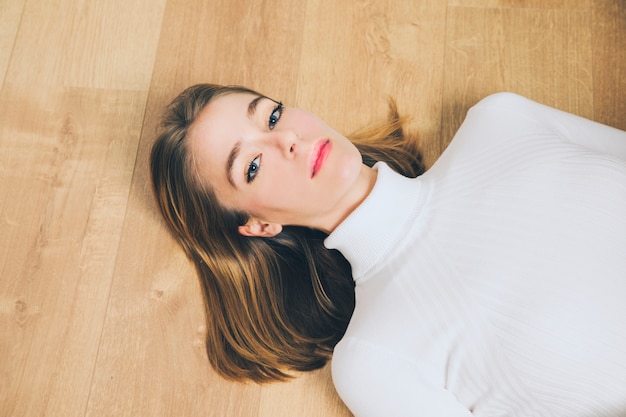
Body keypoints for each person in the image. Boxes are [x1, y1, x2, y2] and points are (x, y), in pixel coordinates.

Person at [150, 84, 626, 416]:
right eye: (252, 165)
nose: (287, 140)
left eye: (271, 115)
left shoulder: (500, 119)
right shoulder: (373, 361)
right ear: (259, 225)